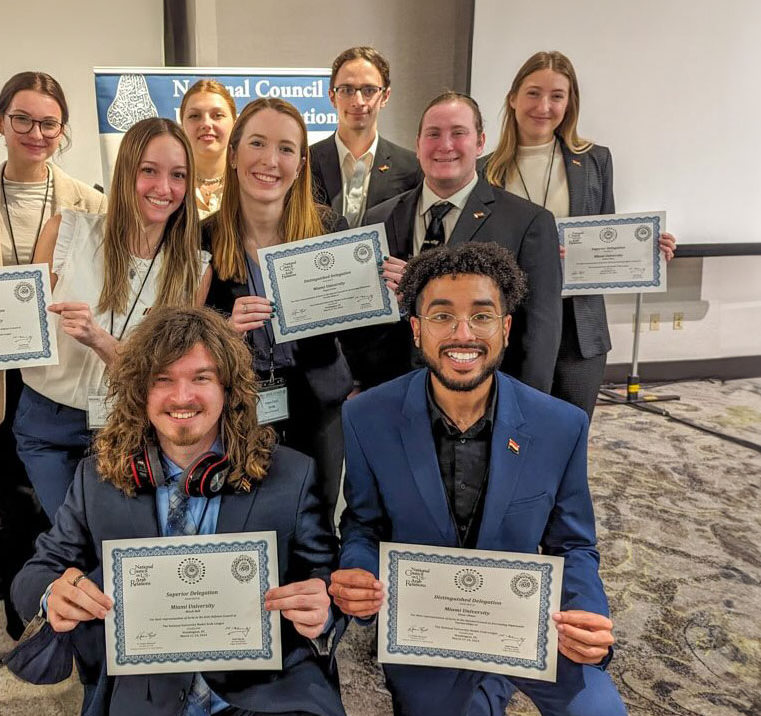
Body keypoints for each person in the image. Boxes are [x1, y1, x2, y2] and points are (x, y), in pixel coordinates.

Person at [330, 243, 626, 716]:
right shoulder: (367, 417)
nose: (462, 334)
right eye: (442, 317)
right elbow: (363, 525)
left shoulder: (560, 425)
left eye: (482, 317)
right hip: (426, 627)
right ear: (416, 330)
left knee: (598, 712)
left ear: (505, 328)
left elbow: (574, 545)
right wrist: (358, 571)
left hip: (527, 621)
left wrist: (589, 611)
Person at [11, 306, 346, 716]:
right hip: (144, 695)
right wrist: (52, 596)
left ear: (228, 387)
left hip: (266, 692)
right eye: (163, 380)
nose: (182, 397)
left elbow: (327, 575)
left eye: (201, 378)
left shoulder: (292, 474)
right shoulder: (95, 480)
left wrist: (326, 605)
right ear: (140, 391)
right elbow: (36, 572)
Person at [0, 70, 107, 639]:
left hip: (63, 378)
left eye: (48, 123)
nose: (35, 132)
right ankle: (24, 620)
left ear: (62, 131)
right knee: (10, 509)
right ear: (0, 121)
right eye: (23, 119)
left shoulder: (90, 202)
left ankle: (79, 620)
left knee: (70, 507)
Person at [203, 97, 403, 517]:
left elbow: (360, 336)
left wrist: (387, 300)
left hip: (316, 408)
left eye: (286, 149)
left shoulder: (329, 229)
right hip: (233, 409)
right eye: (257, 143)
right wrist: (224, 330)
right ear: (234, 153)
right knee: (241, 518)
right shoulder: (201, 238)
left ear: (300, 164)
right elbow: (181, 336)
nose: (270, 160)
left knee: (314, 520)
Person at [13, 117, 211, 524]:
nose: (164, 188)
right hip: (48, 424)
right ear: (125, 174)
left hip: (131, 428)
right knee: (74, 540)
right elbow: (19, 329)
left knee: (117, 545)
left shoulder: (194, 268)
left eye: (178, 176)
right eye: (149, 171)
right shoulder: (66, 230)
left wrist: (99, 340)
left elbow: (168, 377)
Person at [482, 50, 676, 416]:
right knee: (511, 429)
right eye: (534, 93)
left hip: (578, 326)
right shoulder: (485, 171)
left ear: (570, 103)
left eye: (557, 95)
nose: (544, 106)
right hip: (510, 322)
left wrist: (647, 248)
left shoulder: (593, 160)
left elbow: (607, 231)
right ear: (513, 98)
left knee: (572, 430)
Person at [343, 91, 562, 394]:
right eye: (433, 134)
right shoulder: (377, 218)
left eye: (458, 133)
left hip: (485, 400)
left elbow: (539, 334)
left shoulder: (528, 223)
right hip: (392, 396)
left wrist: (527, 409)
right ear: (418, 145)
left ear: (480, 142)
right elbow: (360, 323)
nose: (445, 145)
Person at [310, 46, 421, 228]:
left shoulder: (411, 168)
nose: (358, 101)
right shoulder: (305, 163)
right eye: (347, 90)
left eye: (369, 90)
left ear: (385, 96)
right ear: (332, 96)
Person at [179, 79, 237, 217]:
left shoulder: (250, 183)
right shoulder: (170, 183)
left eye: (217, 115)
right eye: (195, 116)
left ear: (235, 124)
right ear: (182, 126)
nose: (206, 123)